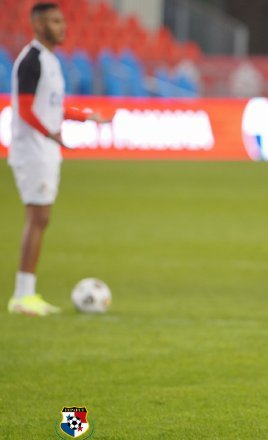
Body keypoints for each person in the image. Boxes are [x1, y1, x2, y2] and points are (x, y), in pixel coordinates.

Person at [7, 3, 106, 316]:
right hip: (33, 149)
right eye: (55, 21)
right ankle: (23, 296)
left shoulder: (50, 60)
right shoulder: (32, 60)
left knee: (42, 218)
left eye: (63, 21)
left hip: (46, 148)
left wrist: (85, 116)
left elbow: (51, 107)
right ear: (38, 25)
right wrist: (51, 135)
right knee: (37, 218)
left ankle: (27, 293)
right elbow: (24, 109)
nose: (62, 27)